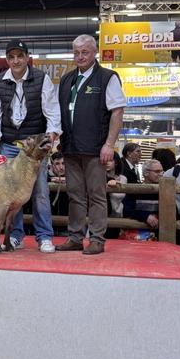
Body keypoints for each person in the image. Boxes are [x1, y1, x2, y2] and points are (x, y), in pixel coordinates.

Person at [0, 39, 61, 253]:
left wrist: (52, 137)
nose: (16, 60)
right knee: (10, 194)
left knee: (40, 192)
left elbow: (52, 112)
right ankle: (15, 235)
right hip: (8, 144)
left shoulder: (42, 79)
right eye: (11, 57)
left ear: (28, 57)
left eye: (20, 56)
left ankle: (44, 236)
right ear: (7, 59)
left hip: (35, 147)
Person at [56, 34, 126, 255]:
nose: (80, 56)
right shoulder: (67, 80)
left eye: (84, 52)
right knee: (75, 194)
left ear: (94, 52)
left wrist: (109, 144)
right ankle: (75, 237)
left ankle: (97, 239)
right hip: (70, 147)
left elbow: (117, 112)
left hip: (97, 149)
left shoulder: (107, 77)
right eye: (76, 52)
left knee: (96, 195)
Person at [123, 159, 163, 230]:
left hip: (160, 233)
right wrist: (145, 216)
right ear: (146, 173)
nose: (161, 174)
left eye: (162, 171)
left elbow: (173, 211)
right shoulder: (135, 190)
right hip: (136, 233)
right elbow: (127, 211)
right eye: (157, 171)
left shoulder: (164, 191)